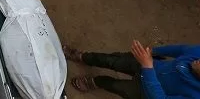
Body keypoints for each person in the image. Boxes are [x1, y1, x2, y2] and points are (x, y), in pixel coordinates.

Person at [65, 40, 200, 99]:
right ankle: (83, 57)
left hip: (145, 93)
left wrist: (147, 67)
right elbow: (182, 49)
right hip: (151, 65)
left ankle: (95, 82)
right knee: (112, 60)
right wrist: (153, 51)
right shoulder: (197, 57)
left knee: (116, 86)